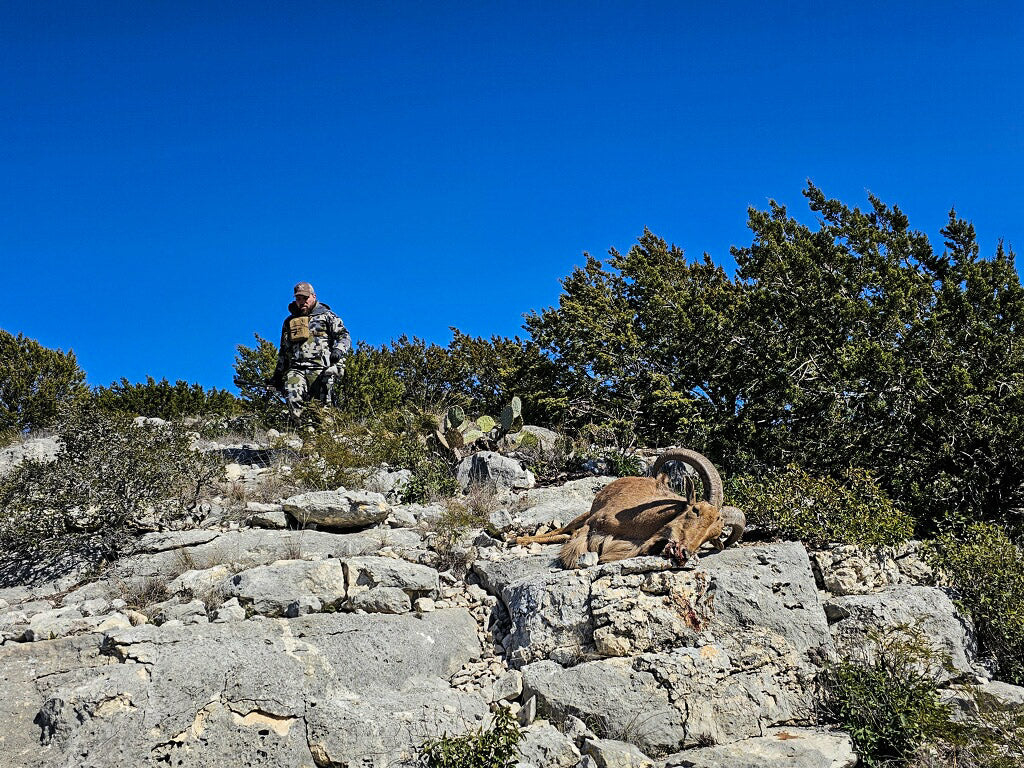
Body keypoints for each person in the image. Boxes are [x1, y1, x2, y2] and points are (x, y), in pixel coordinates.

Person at [270, 281, 352, 421]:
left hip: (321, 369)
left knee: (322, 413)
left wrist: (338, 350)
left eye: (305, 298)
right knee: (292, 392)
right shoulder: (289, 322)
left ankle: (322, 436)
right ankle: (305, 430)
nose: (302, 302)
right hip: (296, 369)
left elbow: (344, 336)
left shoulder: (327, 316)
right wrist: (277, 376)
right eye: (298, 299)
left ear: (314, 296)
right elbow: (284, 351)